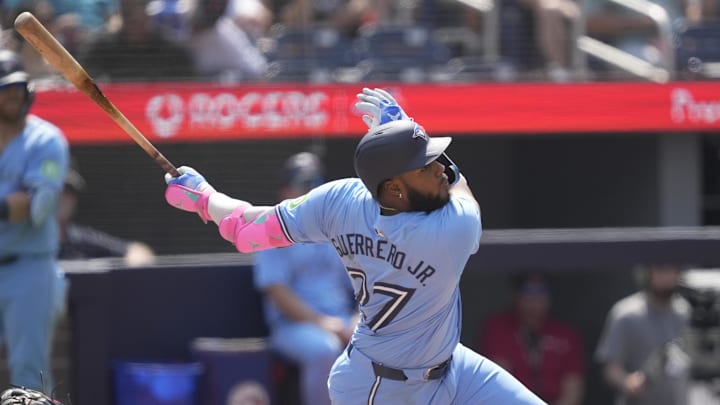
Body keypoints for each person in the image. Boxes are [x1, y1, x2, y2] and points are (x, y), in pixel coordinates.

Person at [162, 87, 545, 404]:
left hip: (452, 367)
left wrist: (204, 198)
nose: (440, 169)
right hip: (384, 389)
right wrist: (409, 131)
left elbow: (246, 230)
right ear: (394, 188)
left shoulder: (339, 200)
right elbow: (462, 188)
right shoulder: (450, 228)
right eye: (426, 165)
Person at [253, 151, 358, 405]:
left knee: (386, 341)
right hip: (294, 327)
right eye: (305, 184)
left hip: (343, 321)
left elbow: (361, 283)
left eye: (317, 183)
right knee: (324, 349)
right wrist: (324, 323)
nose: (313, 190)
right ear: (285, 192)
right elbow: (278, 293)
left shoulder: (334, 230)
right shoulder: (270, 232)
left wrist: (359, 318)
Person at [0, 49, 69, 391]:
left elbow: (35, 208)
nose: (12, 95)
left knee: (29, 376)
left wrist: (15, 204)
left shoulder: (47, 140)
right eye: (4, 89)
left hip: (28, 269)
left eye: (17, 88)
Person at [478, 273, 585, 405]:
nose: (534, 301)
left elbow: (573, 390)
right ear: (516, 295)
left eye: (541, 293)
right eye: (528, 293)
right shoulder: (497, 329)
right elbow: (497, 384)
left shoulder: (566, 335)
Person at [595, 264, 691, 405]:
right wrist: (627, 382)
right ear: (648, 273)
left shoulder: (687, 313)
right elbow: (611, 368)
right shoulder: (626, 314)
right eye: (661, 270)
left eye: (671, 270)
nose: (666, 276)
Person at [58, 158, 156, 267]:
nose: (61, 197)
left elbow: (138, 251)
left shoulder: (81, 240)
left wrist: (138, 265)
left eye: (68, 190)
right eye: (55, 191)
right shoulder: (35, 244)